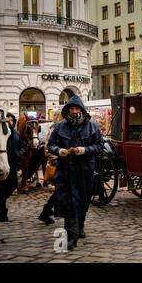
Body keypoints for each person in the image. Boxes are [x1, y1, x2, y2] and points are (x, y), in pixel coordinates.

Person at [47, 96, 103, 250]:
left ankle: (80, 226)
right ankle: (71, 237)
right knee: (69, 202)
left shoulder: (93, 126)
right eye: (71, 109)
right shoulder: (59, 127)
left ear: (82, 110)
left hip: (84, 171)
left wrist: (85, 150)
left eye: (77, 109)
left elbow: (99, 146)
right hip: (65, 171)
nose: (74, 111)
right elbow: (51, 144)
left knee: (83, 201)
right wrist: (59, 151)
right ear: (67, 110)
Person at [0, 113, 25, 222]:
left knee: (13, 185)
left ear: (14, 122)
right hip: (3, 163)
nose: (9, 122)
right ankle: (2, 213)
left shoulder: (16, 134)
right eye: (7, 120)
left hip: (13, 164)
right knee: (2, 188)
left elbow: (21, 146)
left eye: (11, 120)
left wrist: (20, 154)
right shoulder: (2, 135)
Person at [38, 109, 62, 225]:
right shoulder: (55, 128)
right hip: (57, 164)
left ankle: (47, 211)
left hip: (60, 163)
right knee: (61, 189)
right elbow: (48, 148)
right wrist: (56, 158)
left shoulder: (60, 127)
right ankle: (46, 211)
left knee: (60, 190)